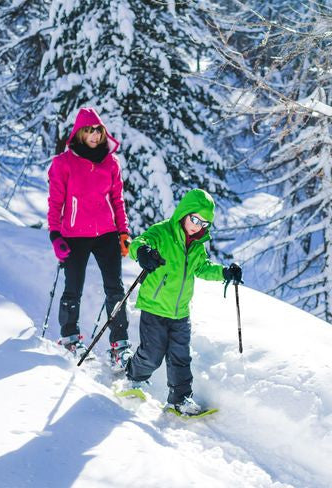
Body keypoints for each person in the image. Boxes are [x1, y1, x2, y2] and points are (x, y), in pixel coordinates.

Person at [123, 188, 242, 415]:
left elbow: (203, 268)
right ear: (185, 213)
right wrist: (144, 253)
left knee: (180, 357)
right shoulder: (163, 232)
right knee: (152, 354)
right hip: (154, 307)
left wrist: (226, 273)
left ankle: (180, 399)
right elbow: (138, 243)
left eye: (204, 223)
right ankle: (133, 377)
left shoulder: (197, 245)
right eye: (195, 218)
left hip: (180, 313)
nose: (197, 226)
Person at [47, 106, 133, 370]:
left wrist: (123, 231)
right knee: (73, 288)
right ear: (79, 133)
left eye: (98, 130)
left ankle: (120, 346)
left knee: (115, 289)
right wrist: (55, 235)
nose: (95, 135)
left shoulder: (111, 163)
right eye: (89, 130)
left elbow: (117, 200)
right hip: (74, 235)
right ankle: (70, 337)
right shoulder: (63, 163)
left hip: (106, 234)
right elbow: (56, 202)